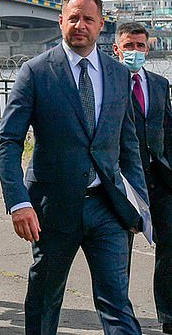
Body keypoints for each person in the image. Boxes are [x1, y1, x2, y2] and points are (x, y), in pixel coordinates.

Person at [0, 0, 148, 334]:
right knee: (44, 301)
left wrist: (138, 203)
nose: (80, 25)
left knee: (117, 304)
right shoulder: (35, 72)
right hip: (51, 210)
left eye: (88, 19)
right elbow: (8, 142)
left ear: (100, 25)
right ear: (61, 21)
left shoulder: (118, 74)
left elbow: (129, 146)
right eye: (74, 18)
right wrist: (19, 202)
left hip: (107, 208)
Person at [113, 21, 172, 334]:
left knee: (169, 246)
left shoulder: (160, 84)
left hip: (160, 177)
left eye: (140, 46)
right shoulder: (108, 83)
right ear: (117, 49)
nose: (135, 51)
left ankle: (168, 313)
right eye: (129, 46)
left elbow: (167, 127)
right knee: (119, 249)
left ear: (148, 48)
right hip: (124, 180)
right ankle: (120, 312)